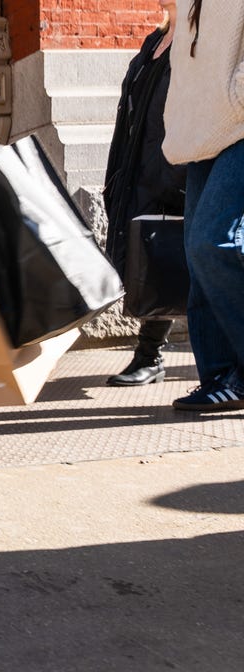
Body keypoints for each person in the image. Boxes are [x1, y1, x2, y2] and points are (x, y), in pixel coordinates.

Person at [161, 0, 244, 411]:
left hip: (240, 125)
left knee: (214, 243)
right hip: (200, 132)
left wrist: (236, 98)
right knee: (196, 255)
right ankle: (218, 378)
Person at [102, 0, 186, 388]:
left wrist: (175, 169)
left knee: (192, 260)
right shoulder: (154, 41)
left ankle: (212, 360)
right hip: (138, 164)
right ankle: (150, 357)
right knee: (152, 259)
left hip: (174, 165)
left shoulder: (193, 40)